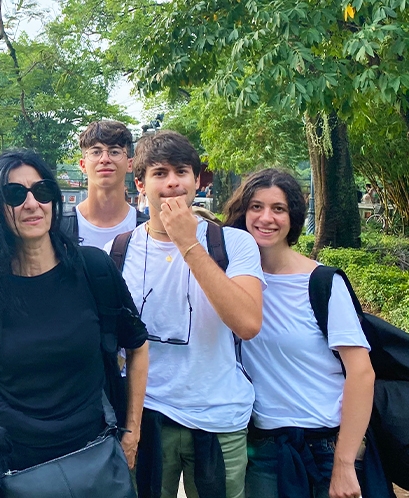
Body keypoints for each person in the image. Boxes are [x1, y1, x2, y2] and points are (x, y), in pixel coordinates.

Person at [0, 149, 149, 483]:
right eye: (15, 194)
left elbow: (138, 345)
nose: (31, 204)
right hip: (16, 466)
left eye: (42, 191)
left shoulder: (94, 270)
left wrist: (131, 432)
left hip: (93, 457)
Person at [115, 130, 265, 498]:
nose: (172, 183)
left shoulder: (233, 242)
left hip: (218, 416)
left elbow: (247, 324)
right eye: (160, 173)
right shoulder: (118, 251)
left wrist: (188, 241)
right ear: (139, 183)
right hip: (146, 417)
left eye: (182, 172)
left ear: (197, 181)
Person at [222, 168, 375, 498]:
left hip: (325, 447)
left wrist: (344, 463)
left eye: (278, 208)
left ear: (293, 217)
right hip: (262, 448)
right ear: (242, 213)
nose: (267, 218)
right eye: (256, 207)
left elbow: (361, 372)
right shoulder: (230, 283)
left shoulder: (322, 283)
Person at [65, 120, 149, 248]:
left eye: (114, 152)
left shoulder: (147, 230)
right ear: (83, 165)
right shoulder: (60, 229)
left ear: (130, 164)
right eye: (96, 152)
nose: (105, 159)